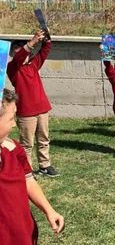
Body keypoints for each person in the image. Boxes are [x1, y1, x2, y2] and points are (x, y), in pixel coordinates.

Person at [0, 89, 65, 242]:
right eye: (11, 119)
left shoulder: (14, 149)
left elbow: (28, 180)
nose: (14, 124)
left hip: (22, 232)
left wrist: (49, 210)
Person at [6, 30, 59, 177]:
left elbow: (45, 51)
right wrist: (32, 42)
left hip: (42, 109)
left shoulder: (34, 64)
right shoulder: (13, 69)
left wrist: (47, 39)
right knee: (26, 144)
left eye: (23, 53)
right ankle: (26, 170)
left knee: (44, 140)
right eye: (17, 53)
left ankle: (44, 165)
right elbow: (20, 57)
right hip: (26, 112)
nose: (21, 56)